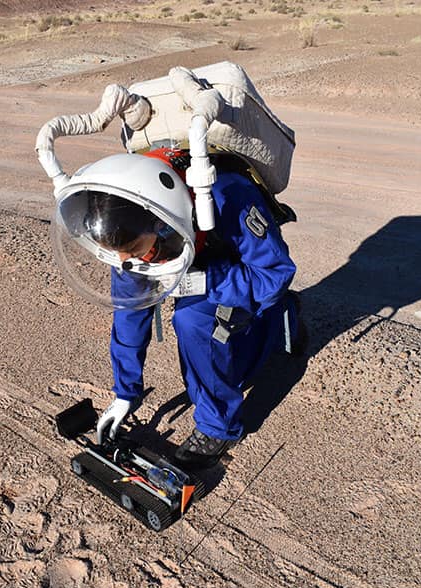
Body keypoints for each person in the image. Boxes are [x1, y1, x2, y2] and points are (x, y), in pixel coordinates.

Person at [52, 147, 302, 468]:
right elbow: (131, 311)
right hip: (195, 259)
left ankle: (220, 427)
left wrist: (207, 281)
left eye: (132, 250)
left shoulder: (229, 197)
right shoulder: (125, 227)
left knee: (193, 321)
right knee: (204, 362)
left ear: (159, 225)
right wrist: (125, 392)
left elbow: (275, 273)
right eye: (119, 253)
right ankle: (275, 322)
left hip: (232, 265)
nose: (126, 261)